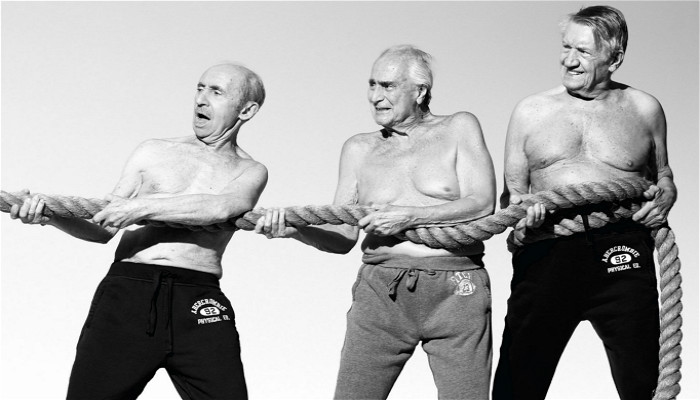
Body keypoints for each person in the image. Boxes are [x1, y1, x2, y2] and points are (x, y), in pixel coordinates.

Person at [9, 63, 268, 400]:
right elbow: (102, 228)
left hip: (198, 298)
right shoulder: (154, 151)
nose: (201, 99)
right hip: (130, 291)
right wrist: (50, 216)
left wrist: (140, 207)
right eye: (200, 88)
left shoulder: (250, 170)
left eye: (216, 92)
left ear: (246, 110)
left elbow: (222, 208)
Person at [255, 45, 496, 399]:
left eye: (387, 86)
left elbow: (483, 203)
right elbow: (342, 236)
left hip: (456, 289)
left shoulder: (459, 127)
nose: (375, 96)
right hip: (381, 292)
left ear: (420, 91)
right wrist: (295, 230)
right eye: (372, 85)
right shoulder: (358, 149)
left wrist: (411, 216)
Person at [493, 6, 676, 400]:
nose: (569, 60)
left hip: (621, 247)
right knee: (516, 385)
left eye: (583, 51)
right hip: (547, 249)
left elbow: (662, 174)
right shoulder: (530, 111)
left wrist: (666, 196)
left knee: (644, 382)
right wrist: (522, 210)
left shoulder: (645, 109)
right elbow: (510, 196)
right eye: (566, 47)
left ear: (615, 58)